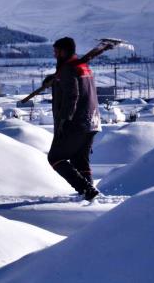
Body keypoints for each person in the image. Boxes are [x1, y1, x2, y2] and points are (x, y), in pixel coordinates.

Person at [47, 37, 102, 201]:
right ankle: (90, 194)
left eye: (56, 51)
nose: (54, 55)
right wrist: (54, 81)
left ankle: (86, 190)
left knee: (55, 158)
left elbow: (72, 95)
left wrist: (64, 119)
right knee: (80, 160)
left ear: (64, 51)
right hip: (92, 121)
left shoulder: (68, 69)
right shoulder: (82, 66)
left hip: (76, 123)